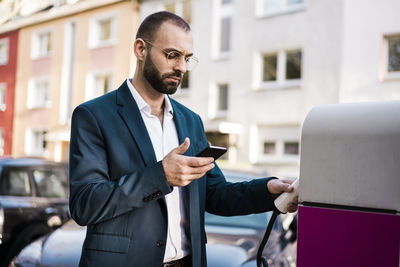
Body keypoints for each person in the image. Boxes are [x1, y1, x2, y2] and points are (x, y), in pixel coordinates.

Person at [69, 11, 297, 267]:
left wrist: (266, 190)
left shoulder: (190, 121)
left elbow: (214, 194)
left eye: (187, 58)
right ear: (140, 49)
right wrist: (160, 176)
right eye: (172, 55)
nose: (181, 67)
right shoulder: (94, 116)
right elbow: (84, 205)